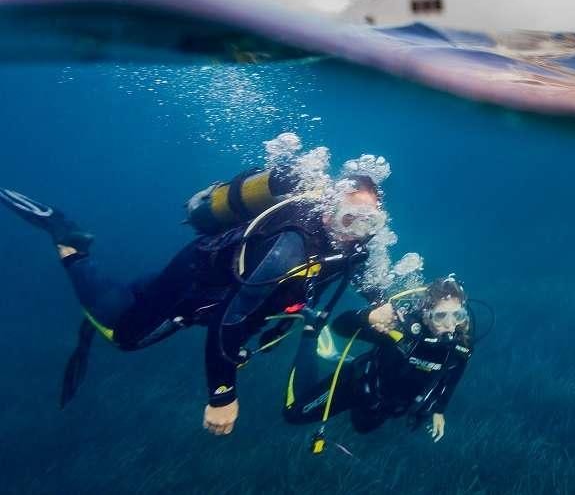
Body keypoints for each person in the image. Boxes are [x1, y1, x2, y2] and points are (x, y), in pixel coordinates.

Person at [0, 168, 389, 437]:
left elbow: (368, 281)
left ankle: (126, 283)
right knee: (124, 334)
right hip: (197, 284)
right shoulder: (289, 247)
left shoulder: (353, 247)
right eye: (350, 217)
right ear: (329, 209)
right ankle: (70, 244)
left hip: (221, 282)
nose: (358, 231)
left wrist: (381, 304)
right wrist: (222, 394)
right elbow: (230, 318)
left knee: (140, 295)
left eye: (369, 223)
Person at [283, 275, 473, 450]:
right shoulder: (401, 331)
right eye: (441, 316)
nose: (450, 324)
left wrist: (439, 409)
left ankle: (344, 359)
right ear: (426, 313)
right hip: (354, 384)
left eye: (457, 315)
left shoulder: (461, 342)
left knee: (361, 428)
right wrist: (367, 317)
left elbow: (453, 374)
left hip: (382, 402)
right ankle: (311, 329)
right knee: (294, 414)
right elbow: (340, 326)